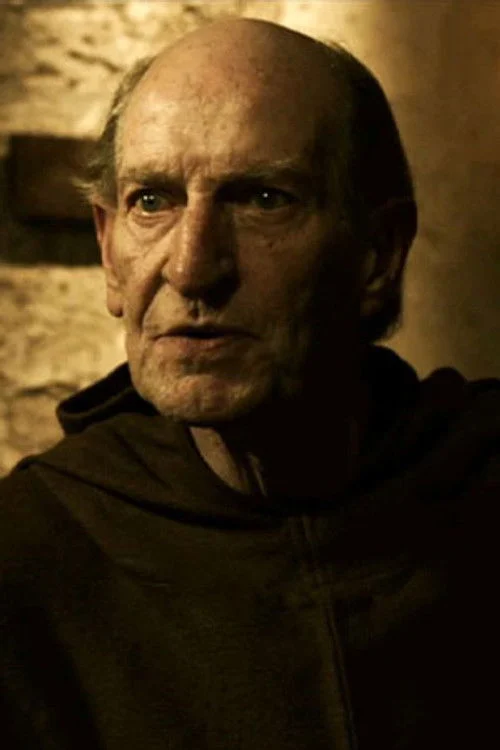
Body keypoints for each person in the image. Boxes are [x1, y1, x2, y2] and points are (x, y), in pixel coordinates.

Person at [1, 17, 498, 750]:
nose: (192, 268)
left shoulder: (481, 485)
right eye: (152, 202)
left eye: (263, 199)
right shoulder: (33, 553)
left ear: (378, 252)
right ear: (108, 251)